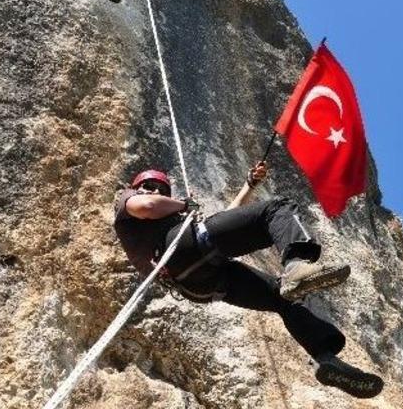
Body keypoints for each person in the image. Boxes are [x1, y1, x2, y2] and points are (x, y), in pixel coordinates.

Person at [113, 162, 384, 398]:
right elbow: (146, 205)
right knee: (277, 207)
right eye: (149, 185)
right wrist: (184, 204)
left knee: (283, 297)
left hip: (202, 280)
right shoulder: (128, 201)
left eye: (162, 189)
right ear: (136, 186)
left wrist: (248, 186)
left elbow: (225, 220)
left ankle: (325, 357)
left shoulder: (175, 219)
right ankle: (297, 262)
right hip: (184, 250)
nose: (156, 191)